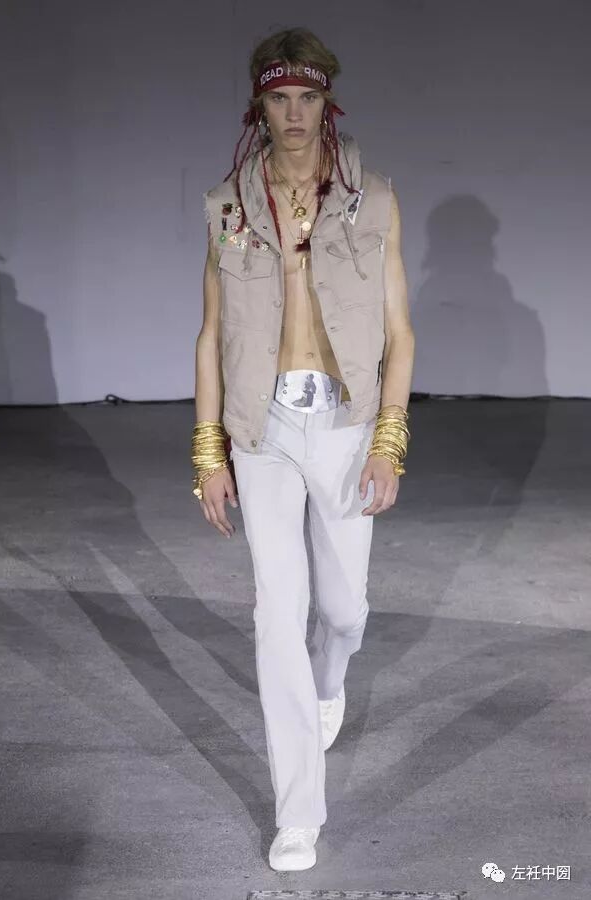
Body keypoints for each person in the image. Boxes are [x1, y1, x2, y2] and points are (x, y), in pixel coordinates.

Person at [192, 26, 415, 871]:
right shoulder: (226, 206)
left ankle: (332, 679)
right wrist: (208, 452)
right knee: (275, 615)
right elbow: (211, 335)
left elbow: (400, 332)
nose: (294, 113)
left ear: (329, 104)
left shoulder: (375, 199)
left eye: (308, 98)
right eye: (279, 98)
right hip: (264, 431)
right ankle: (298, 814)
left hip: (347, 425)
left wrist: (390, 438)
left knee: (345, 610)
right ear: (260, 104)